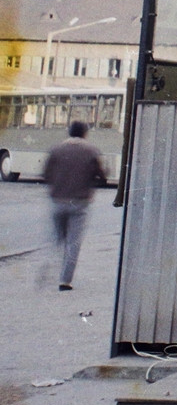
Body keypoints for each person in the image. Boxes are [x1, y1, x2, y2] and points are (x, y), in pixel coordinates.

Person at [43, 120, 104, 291]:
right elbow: (101, 175)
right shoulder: (91, 150)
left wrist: (56, 186)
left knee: (58, 238)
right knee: (73, 242)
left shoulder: (56, 149)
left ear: (69, 132)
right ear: (85, 133)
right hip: (80, 203)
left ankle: (49, 265)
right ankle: (65, 281)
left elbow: (46, 174)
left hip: (58, 201)